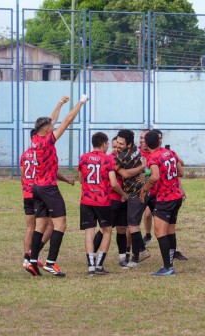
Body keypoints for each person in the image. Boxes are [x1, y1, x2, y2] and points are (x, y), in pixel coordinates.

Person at [25, 93, 89, 277]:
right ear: (46, 131)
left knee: (40, 226)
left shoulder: (36, 138)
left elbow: (52, 119)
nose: (54, 127)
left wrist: (60, 103)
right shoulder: (47, 140)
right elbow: (67, 121)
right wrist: (81, 102)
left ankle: (31, 261)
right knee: (61, 225)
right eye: (51, 127)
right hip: (48, 188)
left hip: (37, 187)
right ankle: (51, 263)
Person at [20, 128, 74, 270]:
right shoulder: (44, 150)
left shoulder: (25, 155)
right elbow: (52, 172)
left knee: (31, 227)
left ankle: (28, 259)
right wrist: (67, 180)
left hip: (28, 193)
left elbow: (22, 176)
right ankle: (40, 255)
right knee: (52, 225)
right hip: (43, 189)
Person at [78, 132, 126, 275]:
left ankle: (91, 266)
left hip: (86, 200)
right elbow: (113, 183)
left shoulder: (83, 158)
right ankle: (99, 265)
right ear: (105, 144)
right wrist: (123, 194)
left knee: (89, 232)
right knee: (107, 231)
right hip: (102, 201)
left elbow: (81, 179)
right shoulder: (107, 159)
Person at [140, 130, 184, 276]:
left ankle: (167, 267)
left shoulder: (153, 157)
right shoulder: (169, 153)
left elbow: (155, 177)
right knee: (170, 231)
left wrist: (144, 189)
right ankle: (170, 264)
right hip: (176, 196)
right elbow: (180, 172)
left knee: (159, 232)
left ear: (146, 144)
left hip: (165, 198)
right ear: (159, 141)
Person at [114, 129, 151, 268]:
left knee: (133, 226)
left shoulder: (120, 157)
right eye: (117, 142)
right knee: (133, 224)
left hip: (136, 193)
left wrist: (142, 167)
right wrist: (143, 168)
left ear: (129, 145)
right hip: (143, 190)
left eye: (121, 144)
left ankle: (136, 258)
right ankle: (141, 250)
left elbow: (124, 173)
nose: (118, 146)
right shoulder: (137, 149)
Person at [139, 129, 154, 247]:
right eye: (141, 137)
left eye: (145, 138)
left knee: (149, 214)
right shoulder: (135, 152)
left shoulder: (154, 152)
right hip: (138, 190)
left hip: (153, 190)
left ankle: (148, 235)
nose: (143, 140)